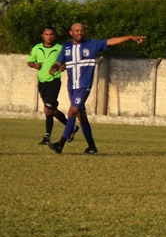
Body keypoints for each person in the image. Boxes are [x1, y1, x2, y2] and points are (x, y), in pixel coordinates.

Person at [47, 23, 146, 155]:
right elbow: (59, 62)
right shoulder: (66, 47)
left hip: (84, 86)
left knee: (72, 111)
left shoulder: (92, 44)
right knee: (81, 116)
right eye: (76, 31)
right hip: (72, 87)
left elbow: (111, 41)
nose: (79, 33)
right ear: (71, 33)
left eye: (82, 30)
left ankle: (60, 144)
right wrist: (54, 68)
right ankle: (92, 147)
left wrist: (129, 37)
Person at [26, 27, 70, 146]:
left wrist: (64, 66)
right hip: (42, 81)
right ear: (43, 36)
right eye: (47, 34)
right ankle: (67, 128)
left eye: (51, 34)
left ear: (55, 36)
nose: (49, 36)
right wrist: (34, 65)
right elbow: (29, 61)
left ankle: (53, 134)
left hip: (54, 81)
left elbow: (67, 61)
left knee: (48, 108)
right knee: (49, 111)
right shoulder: (37, 48)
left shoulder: (60, 48)